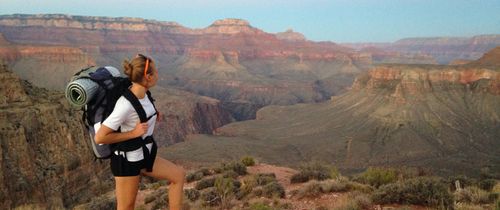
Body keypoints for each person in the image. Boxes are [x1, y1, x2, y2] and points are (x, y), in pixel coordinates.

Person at [95, 54, 185, 210]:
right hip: (126, 161)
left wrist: (153, 114)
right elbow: (100, 137)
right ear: (148, 77)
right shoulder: (125, 105)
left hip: (145, 155)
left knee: (178, 175)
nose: (158, 74)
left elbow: (140, 112)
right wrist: (133, 133)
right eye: (155, 72)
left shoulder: (144, 93)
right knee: (126, 207)